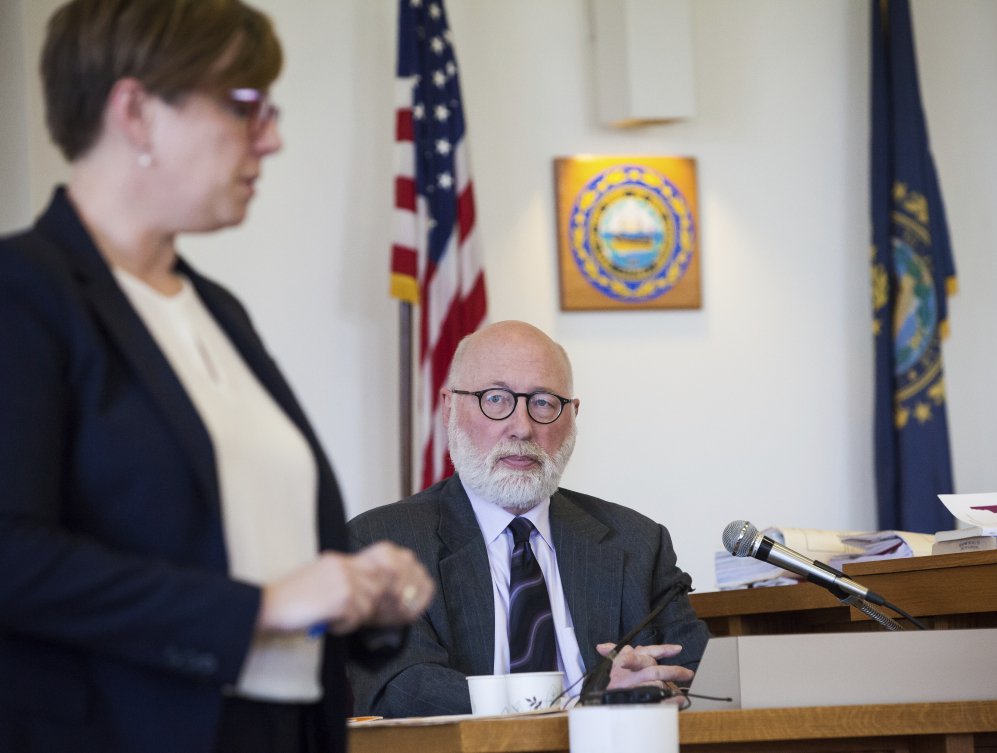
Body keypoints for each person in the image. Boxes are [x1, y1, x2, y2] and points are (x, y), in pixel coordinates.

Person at [0, 1, 434, 752]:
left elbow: (252, 539)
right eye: (244, 106)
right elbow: (12, 555)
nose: (270, 137)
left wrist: (363, 598)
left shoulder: (217, 310)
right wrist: (257, 607)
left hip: (287, 726)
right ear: (135, 110)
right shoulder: (24, 291)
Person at [348, 320, 709, 717]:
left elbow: (699, 678)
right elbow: (404, 689)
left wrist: (650, 687)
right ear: (450, 405)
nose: (521, 428)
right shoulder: (382, 544)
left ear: (572, 415)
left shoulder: (637, 543)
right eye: (496, 399)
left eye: (542, 402)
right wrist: (585, 705)